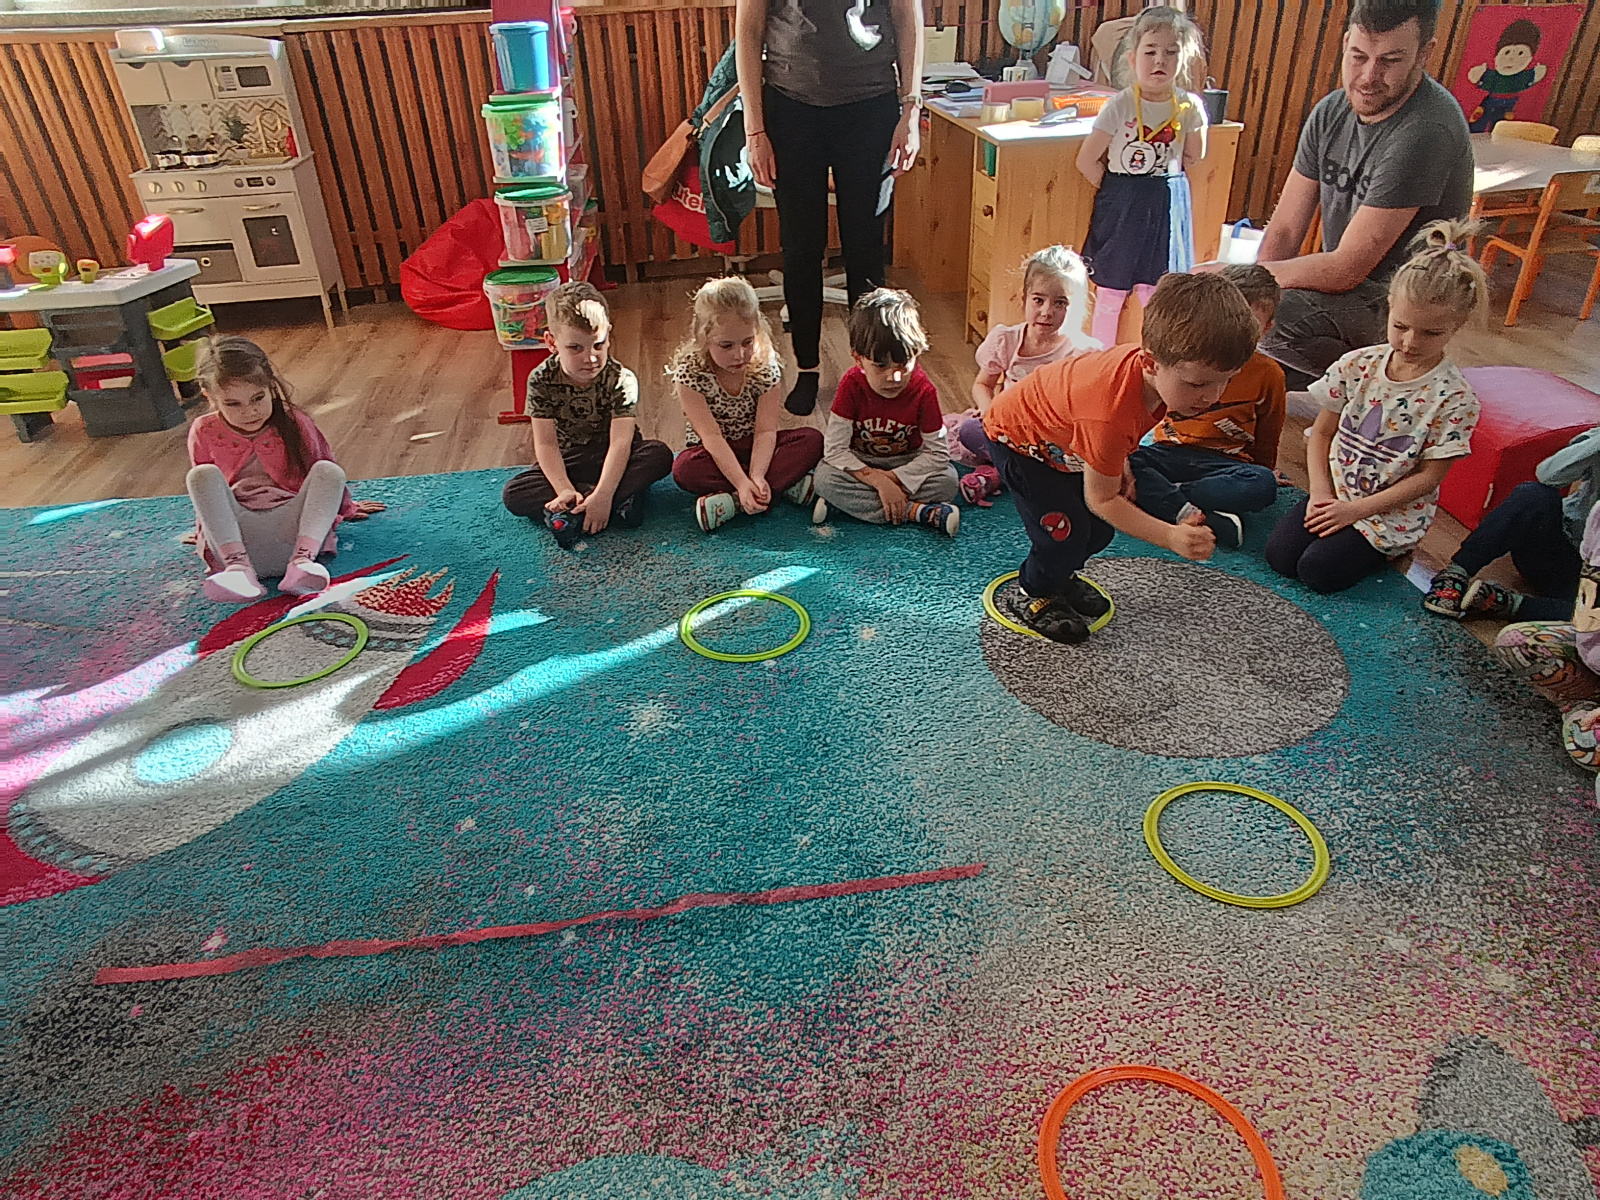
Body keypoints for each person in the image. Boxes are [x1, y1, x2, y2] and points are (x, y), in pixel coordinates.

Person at [983, 271, 1259, 644]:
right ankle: (1033, 591)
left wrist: (1121, 460)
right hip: (1018, 444)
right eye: (1197, 384)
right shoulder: (1108, 412)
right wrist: (1169, 536)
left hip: (1066, 442)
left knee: (1099, 530)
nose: (1213, 396)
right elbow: (1102, 498)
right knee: (1063, 533)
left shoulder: (1148, 380)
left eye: (1227, 380)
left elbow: (1114, 442)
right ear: (1151, 363)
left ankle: (1060, 577)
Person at [1238, 0, 1473, 389]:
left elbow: (1347, 269)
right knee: (1242, 312)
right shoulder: (1330, 111)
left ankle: (1383, 385)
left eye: (1390, 61)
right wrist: (1247, 289)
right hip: (1347, 292)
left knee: (1267, 317)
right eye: (1358, 56)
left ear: (1424, 53)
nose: (1368, 76)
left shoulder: (1426, 131)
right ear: (1346, 42)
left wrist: (1242, 286)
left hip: (1402, 306)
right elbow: (1284, 230)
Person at [1266, 220, 1484, 594]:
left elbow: (1428, 478)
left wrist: (1356, 512)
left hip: (1388, 515)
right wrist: (1320, 493)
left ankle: (1392, 550)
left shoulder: (1454, 399)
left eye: (1430, 333)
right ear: (1390, 307)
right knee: (1280, 557)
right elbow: (1322, 433)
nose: (1410, 342)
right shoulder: (1358, 365)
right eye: (1401, 326)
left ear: (1457, 325)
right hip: (1337, 494)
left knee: (1318, 572)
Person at [735, 0, 925, 417]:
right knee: (801, 248)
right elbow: (748, 30)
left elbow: (907, 16)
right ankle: (808, 369)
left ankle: (870, 369)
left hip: (871, 106)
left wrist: (911, 109)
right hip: (790, 107)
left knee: (866, 248)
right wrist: (755, 129)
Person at [185, 336, 382, 603]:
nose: (250, 411)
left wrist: (347, 508)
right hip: (240, 544)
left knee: (329, 470)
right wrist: (207, 532)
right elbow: (206, 493)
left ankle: (302, 565)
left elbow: (323, 468)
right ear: (210, 397)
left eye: (258, 398)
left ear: (270, 386)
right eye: (233, 404)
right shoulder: (203, 429)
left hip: (295, 537)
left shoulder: (294, 422)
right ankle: (238, 570)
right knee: (201, 476)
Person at [501, 282, 673, 547]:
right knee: (514, 493)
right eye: (575, 348)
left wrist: (604, 492)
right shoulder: (540, 380)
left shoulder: (621, 379)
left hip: (614, 457)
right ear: (552, 342)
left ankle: (577, 512)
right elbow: (546, 445)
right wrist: (563, 489)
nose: (590, 358)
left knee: (659, 454)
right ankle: (612, 503)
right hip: (570, 460)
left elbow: (621, 442)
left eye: (598, 345)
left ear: (608, 335)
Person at [1126, 264, 1286, 548]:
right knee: (1124, 464)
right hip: (1169, 452)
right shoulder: (1180, 361)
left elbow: (1269, 431)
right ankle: (1199, 515)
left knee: (1262, 484)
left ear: (1266, 328)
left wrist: (1265, 469)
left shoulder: (1269, 374)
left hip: (1224, 463)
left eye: (1249, 325)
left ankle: (1168, 500)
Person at [1075, 5, 1208, 347]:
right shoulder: (1119, 105)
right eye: (1150, 51)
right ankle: (1101, 359)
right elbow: (1087, 160)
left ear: (1184, 58)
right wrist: (1118, 191)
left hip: (1166, 204)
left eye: (1171, 52)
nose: (1159, 60)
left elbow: (1195, 155)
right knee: (1111, 290)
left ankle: (1153, 355)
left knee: (1157, 292)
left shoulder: (1189, 106)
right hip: (1122, 205)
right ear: (1133, 59)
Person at [668, 276, 825, 532]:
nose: (739, 354)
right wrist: (742, 481)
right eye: (726, 345)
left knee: (812, 440)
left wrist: (758, 476)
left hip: (758, 447)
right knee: (684, 469)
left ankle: (736, 502)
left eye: (747, 342)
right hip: (713, 451)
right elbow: (711, 436)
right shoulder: (689, 374)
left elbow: (765, 431)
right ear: (703, 337)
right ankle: (779, 488)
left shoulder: (765, 367)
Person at [952, 245, 1099, 495]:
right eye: (1038, 300)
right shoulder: (1007, 340)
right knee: (969, 432)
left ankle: (1003, 473)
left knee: (1080, 455)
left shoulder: (1081, 353)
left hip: (1052, 438)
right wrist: (989, 411)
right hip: (1008, 428)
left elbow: (1086, 411)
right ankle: (1020, 472)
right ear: (1024, 299)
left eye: (1060, 303)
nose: (1046, 312)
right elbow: (982, 384)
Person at [813, 288, 960, 536]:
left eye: (903, 364)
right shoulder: (851, 385)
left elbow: (938, 454)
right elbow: (836, 450)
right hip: (860, 462)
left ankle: (849, 507)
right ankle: (917, 512)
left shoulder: (924, 391)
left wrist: (893, 479)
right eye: (881, 366)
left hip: (906, 461)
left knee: (948, 481)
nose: (895, 377)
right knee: (825, 478)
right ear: (858, 359)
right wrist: (878, 481)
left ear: (917, 353)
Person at [1424, 427, 1600, 620]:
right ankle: (1456, 573)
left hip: (1587, 587)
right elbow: (1547, 475)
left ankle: (1504, 603)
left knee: (1591, 617)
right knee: (1534, 495)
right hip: (1559, 549)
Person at [1490, 500, 1600, 786]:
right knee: (1515, 643)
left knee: (1589, 751)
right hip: (1590, 649)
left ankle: (1585, 707)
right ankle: (1583, 700)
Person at [1466, 18, 1548, 133]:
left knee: (1501, 127)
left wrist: (1536, 73)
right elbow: (1484, 83)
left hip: (1509, 104)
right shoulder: (1494, 76)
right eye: (1507, 52)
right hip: (1490, 102)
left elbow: (1529, 81)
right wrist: (1478, 76)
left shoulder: (1522, 77)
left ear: (1530, 58)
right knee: (1479, 121)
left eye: (1520, 53)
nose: (1511, 59)